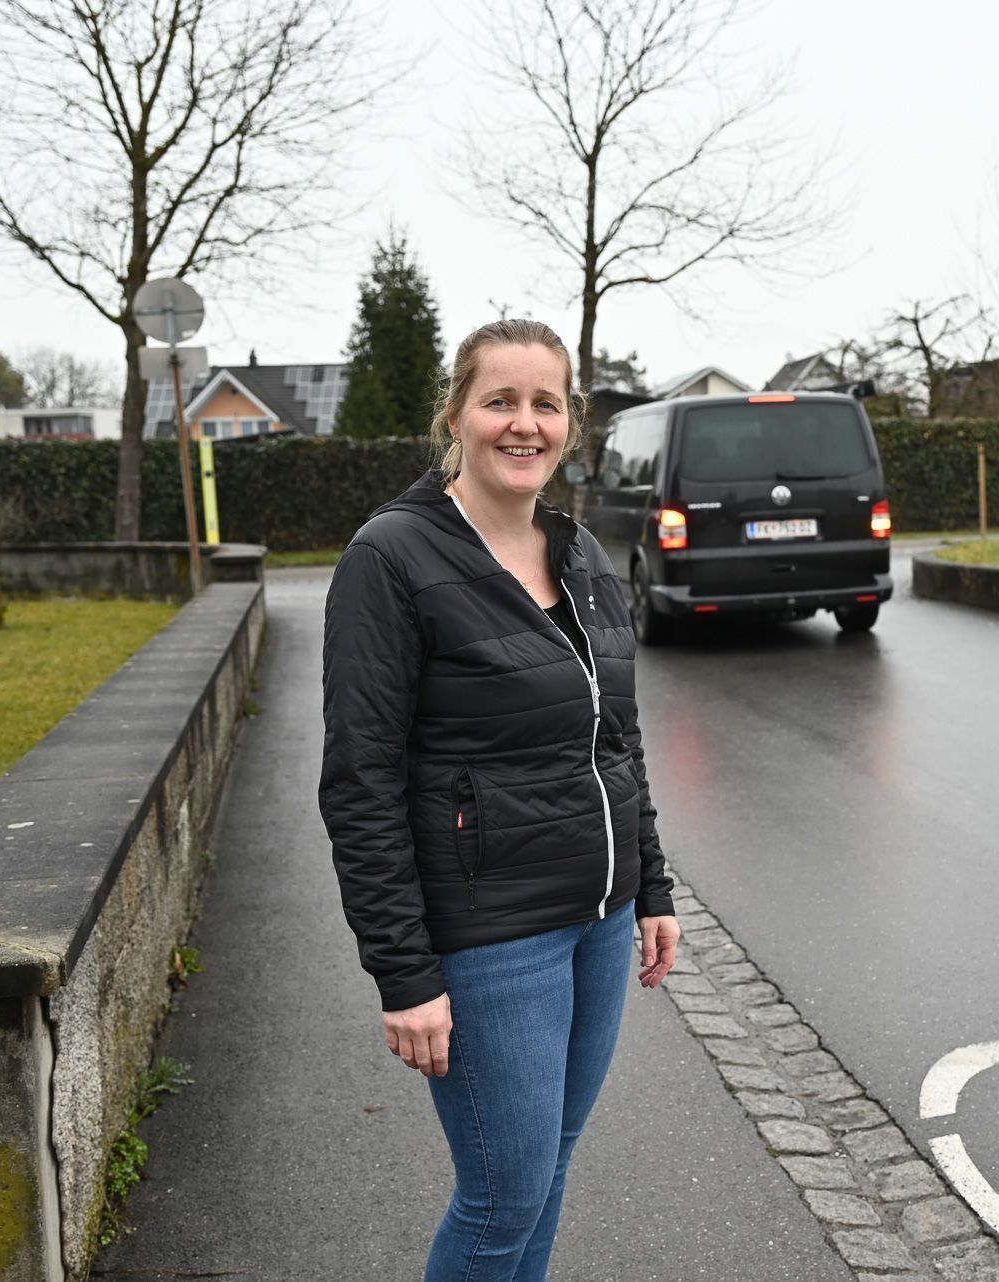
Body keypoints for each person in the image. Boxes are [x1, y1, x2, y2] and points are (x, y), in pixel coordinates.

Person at [319, 318, 680, 1282]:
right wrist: (404, 972)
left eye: (546, 404)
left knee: (546, 1174)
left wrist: (652, 888)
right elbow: (360, 783)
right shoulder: (391, 560)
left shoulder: (581, 556)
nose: (525, 424)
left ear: (572, 422)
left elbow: (617, 739)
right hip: (489, 943)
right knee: (500, 1199)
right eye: (501, 401)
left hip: (598, 924)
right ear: (458, 415)